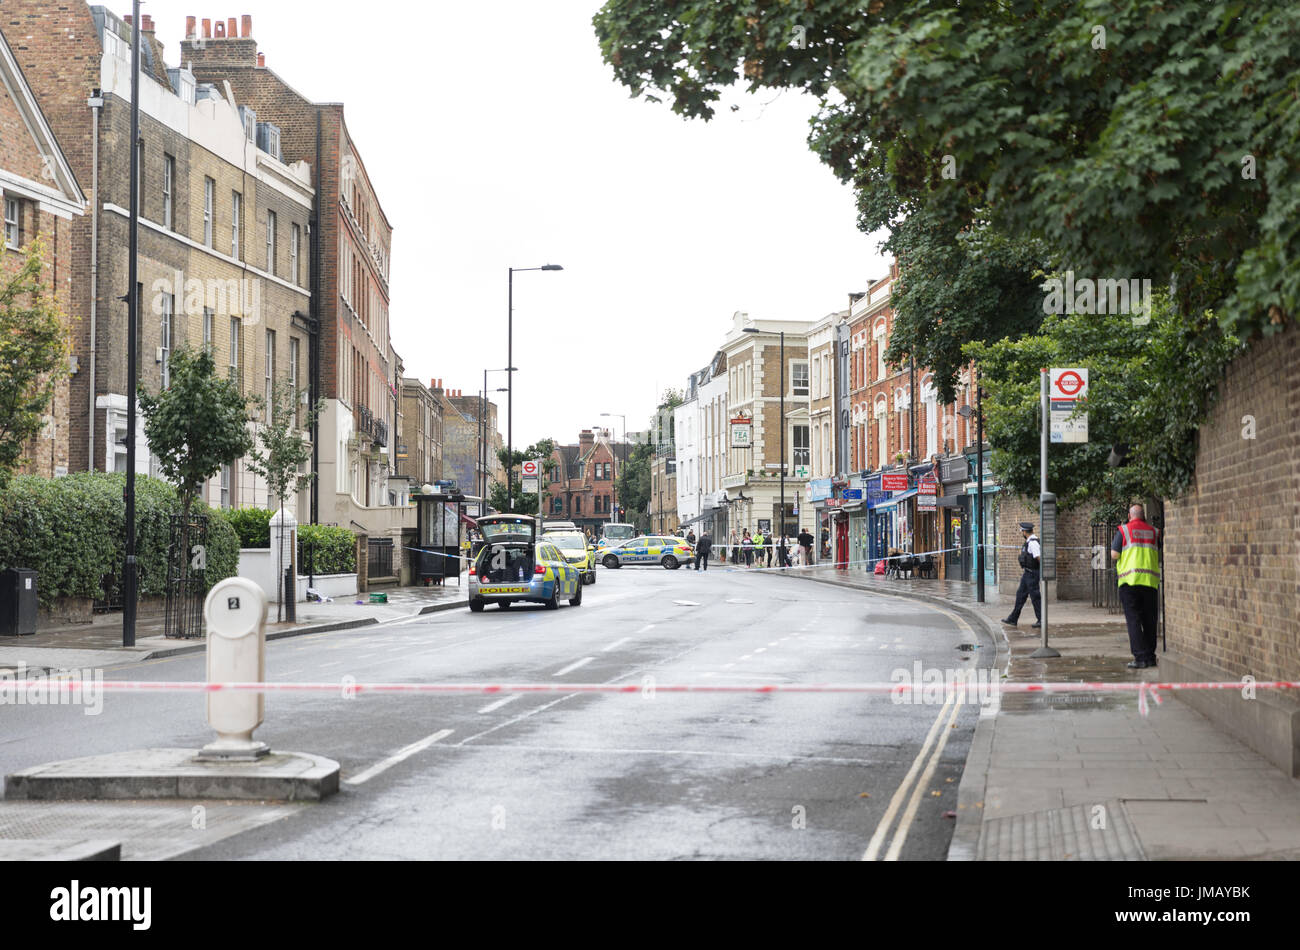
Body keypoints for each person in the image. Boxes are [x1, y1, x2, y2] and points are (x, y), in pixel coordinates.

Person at [1112, 504, 1161, 669]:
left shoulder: (1124, 530)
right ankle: (1150, 657)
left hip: (1129, 583)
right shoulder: (1154, 532)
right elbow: (1158, 550)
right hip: (1150, 583)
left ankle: (1140, 658)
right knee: (1150, 620)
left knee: (1133, 620)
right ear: (1143, 516)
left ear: (1129, 515)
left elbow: (1114, 555)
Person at [1002, 522, 1042, 628]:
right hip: (1027, 573)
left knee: (1035, 597)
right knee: (1020, 595)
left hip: (1032, 573)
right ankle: (1013, 619)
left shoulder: (1033, 543)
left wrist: (1040, 571)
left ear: (1024, 532)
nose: (1022, 533)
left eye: (1022, 531)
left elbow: (1038, 557)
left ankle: (1041, 619)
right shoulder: (1029, 542)